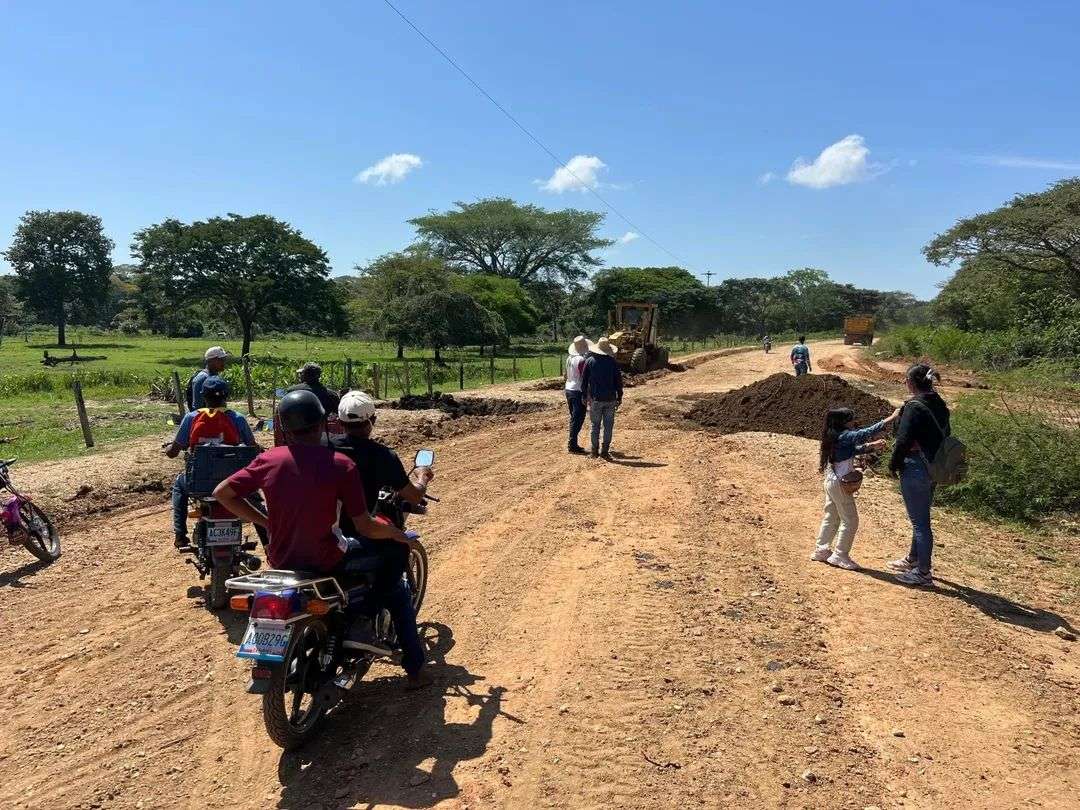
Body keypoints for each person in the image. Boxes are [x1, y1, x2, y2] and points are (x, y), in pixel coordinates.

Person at [213, 389, 431, 689]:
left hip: (281, 559)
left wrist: (266, 521)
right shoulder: (341, 465)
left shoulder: (269, 458)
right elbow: (365, 526)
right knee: (394, 573)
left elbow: (222, 493)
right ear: (323, 424)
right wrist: (396, 534)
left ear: (285, 428)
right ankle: (410, 663)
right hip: (328, 557)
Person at [164, 376, 258, 548]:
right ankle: (268, 541)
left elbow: (173, 452)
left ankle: (180, 535)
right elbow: (253, 449)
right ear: (226, 396)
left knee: (179, 485)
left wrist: (169, 448)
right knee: (255, 497)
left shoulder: (192, 417)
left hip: (199, 483)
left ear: (203, 397)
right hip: (233, 482)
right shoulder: (238, 418)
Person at [811, 406, 900, 569]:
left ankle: (821, 549)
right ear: (845, 422)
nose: (854, 423)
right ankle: (840, 555)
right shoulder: (845, 435)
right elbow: (863, 433)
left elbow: (851, 450)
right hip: (839, 483)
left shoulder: (835, 435)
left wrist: (871, 446)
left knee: (832, 516)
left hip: (831, 480)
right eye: (852, 420)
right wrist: (890, 419)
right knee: (850, 520)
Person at [887, 364, 950, 587]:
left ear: (911, 382)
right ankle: (913, 559)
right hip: (934, 465)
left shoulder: (914, 406)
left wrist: (893, 465)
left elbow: (902, 441)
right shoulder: (938, 402)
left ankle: (923, 573)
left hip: (915, 466)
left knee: (920, 523)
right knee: (920, 519)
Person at [330, 390, 433, 519]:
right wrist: (423, 477)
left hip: (325, 529)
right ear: (374, 420)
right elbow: (415, 497)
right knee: (407, 539)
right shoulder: (384, 456)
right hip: (363, 531)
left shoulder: (324, 448)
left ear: (339, 422)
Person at [581, 336, 623, 460]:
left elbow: (584, 381)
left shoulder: (589, 361)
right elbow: (618, 382)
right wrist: (619, 396)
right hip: (610, 399)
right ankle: (605, 451)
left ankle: (594, 452)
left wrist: (584, 396)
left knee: (595, 426)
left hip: (596, 399)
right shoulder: (613, 363)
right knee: (608, 426)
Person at [564, 336, 590, 454]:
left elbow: (565, 375)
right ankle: (572, 444)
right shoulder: (581, 360)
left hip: (568, 388)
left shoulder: (569, 358)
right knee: (578, 418)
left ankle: (572, 442)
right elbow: (583, 378)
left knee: (574, 417)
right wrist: (587, 394)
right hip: (577, 390)